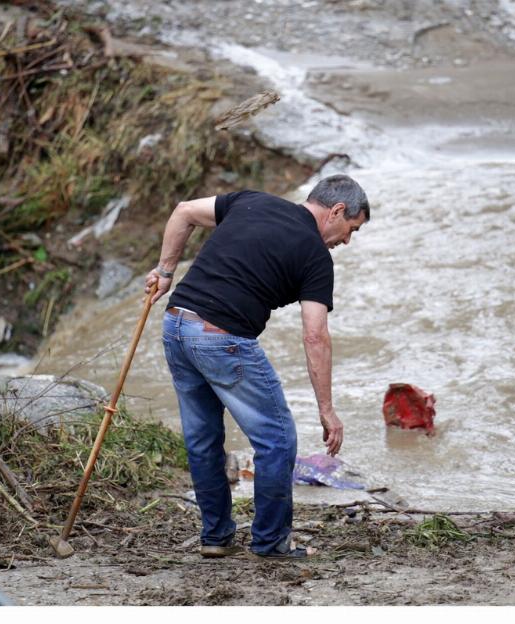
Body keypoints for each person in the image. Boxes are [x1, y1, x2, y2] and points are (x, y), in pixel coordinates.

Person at [144, 174, 370, 559]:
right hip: (220, 336)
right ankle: (270, 541)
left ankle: (215, 537)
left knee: (202, 438)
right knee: (277, 439)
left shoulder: (252, 201)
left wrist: (166, 272)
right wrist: (327, 410)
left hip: (177, 323)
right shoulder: (316, 256)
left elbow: (184, 212)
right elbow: (315, 336)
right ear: (336, 211)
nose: (347, 241)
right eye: (352, 229)